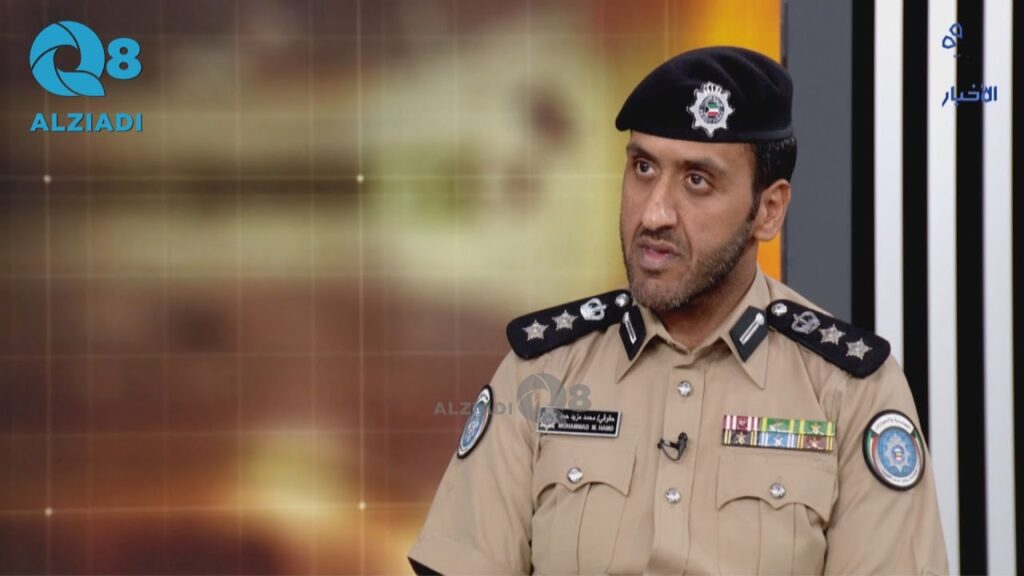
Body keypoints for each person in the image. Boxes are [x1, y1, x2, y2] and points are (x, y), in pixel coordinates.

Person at [407, 46, 948, 575]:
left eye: (697, 180)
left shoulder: (850, 391)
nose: (654, 213)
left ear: (768, 210)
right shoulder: (541, 371)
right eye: (643, 168)